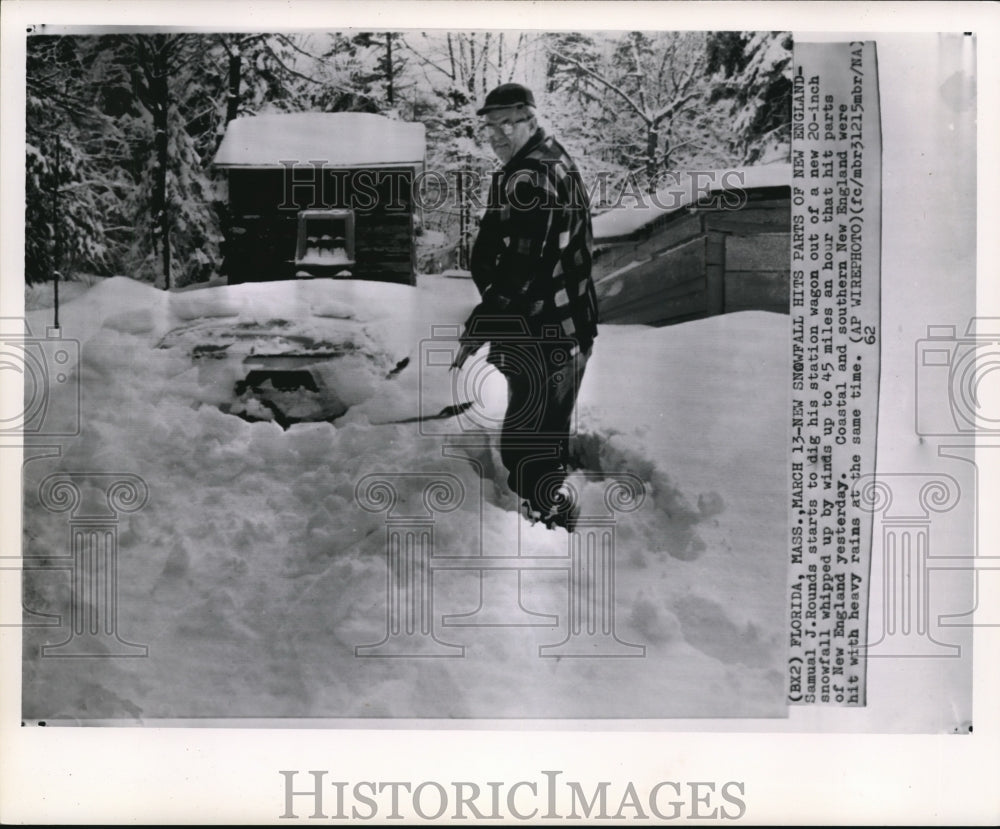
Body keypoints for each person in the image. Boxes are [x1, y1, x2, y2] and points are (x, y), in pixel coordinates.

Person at [452, 83, 599, 530]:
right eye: (490, 126)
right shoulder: (545, 159)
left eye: (508, 123)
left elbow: (521, 269)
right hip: (560, 325)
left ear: (531, 120)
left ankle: (545, 526)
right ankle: (546, 509)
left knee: (527, 443)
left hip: (547, 328)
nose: (496, 134)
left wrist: (480, 324)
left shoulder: (531, 178)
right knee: (541, 431)